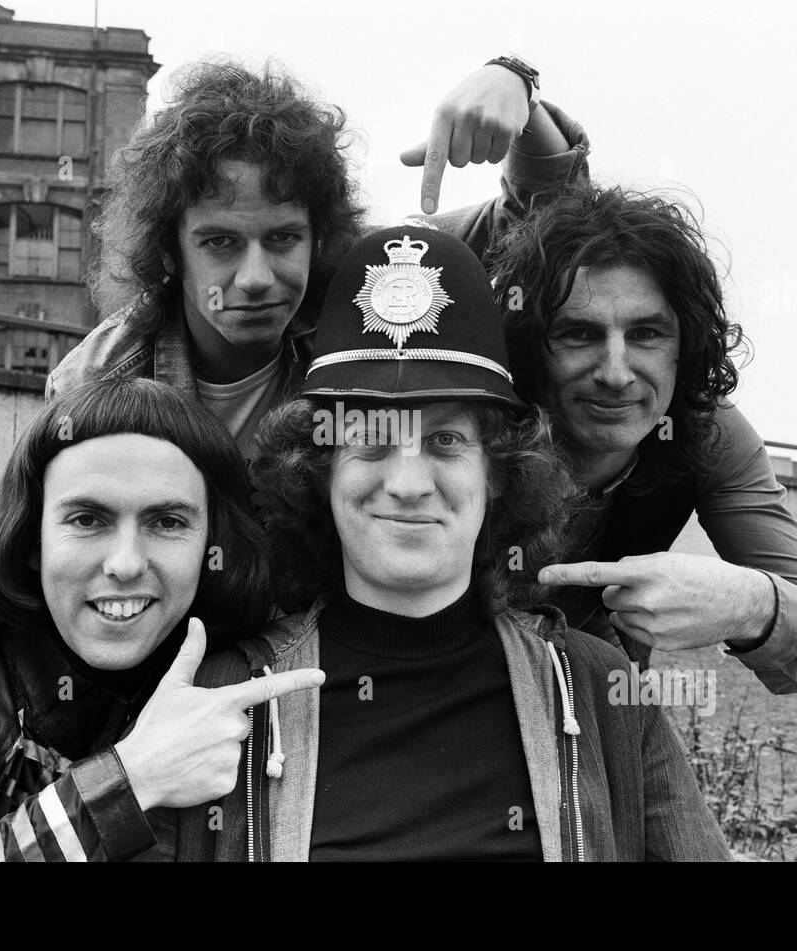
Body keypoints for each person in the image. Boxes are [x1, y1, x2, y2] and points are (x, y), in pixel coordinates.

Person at [152, 226, 731, 861]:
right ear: (318, 473)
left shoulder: (599, 691)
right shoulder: (224, 699)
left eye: (445, 441)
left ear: (498, 472)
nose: (406, 483)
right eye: (371, 439)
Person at [0, 378, 323, 862]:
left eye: (167, 522)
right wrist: (129, 781)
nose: (125, 563)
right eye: (87, 520)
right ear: (30, 537)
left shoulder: (241, 664)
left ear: (214, 544)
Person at [45, 56, 589, 455]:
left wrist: (516, 83)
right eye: (220, 242)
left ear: (319, 236)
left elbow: (542, 223)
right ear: (169, 251)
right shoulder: (95, 384)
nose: (256, 279)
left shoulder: (360, 283)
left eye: (282, 238)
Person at [487, 185, 797, 694]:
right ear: (528, 347)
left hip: (603, 703)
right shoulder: (475, 424)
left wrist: (750, 605)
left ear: (686, 347)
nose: (616, 374)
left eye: (646, 334)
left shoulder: (710, 434)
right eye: (578, 334)